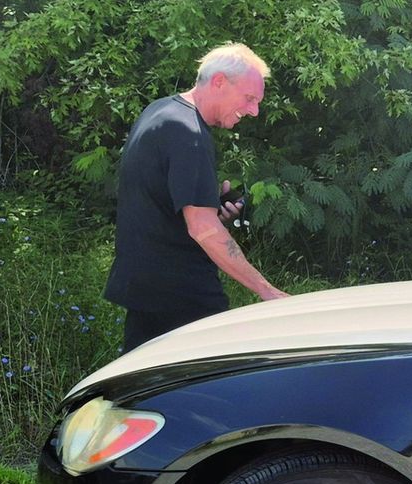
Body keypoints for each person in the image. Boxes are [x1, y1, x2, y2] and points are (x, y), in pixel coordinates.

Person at [103, 43, 289, 350]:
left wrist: (211, 205)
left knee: (142, 386)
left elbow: (160, 197)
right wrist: (266, 290)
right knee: (210, 386)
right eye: (250, 98)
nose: (254, 110)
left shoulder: (161, 111)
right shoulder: (189, 134)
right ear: (219, 82)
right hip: (181, 295)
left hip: (147, 287)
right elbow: (202, 228)